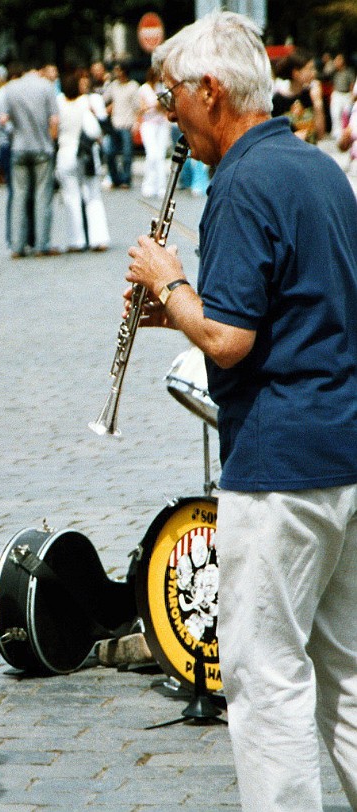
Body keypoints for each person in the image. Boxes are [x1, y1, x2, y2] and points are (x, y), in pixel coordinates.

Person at [125, 12, 357, 811]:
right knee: (352, 676)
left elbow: (226, 337)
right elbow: (296, 301)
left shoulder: (241, 182)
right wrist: (182, 307)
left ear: (210, 91)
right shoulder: (319, 167)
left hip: (279, 461)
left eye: (170, 95)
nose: (168, 112)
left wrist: (167, 282)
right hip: (344, 449)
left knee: (265, 680)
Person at [0, 60, 59, 258]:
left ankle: (17, 245)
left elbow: (3, 120)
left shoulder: (11, 88)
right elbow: (54, 120)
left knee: (19, 196)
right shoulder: (46, 87)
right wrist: (51, 141)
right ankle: (41, 244)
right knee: (42, 196)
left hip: (19, 146)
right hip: (42, 147)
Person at [54, 72, 109, 252]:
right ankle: (98, 238)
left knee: (71, 198)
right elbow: (94, 130)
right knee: (93, 196)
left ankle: (76, 240)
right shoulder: (85, 102)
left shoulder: (59, 103)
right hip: (85, 153)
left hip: (65, 152)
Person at [272, 49, 326, 144]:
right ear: (296, 73)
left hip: (310, 154)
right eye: (310, 69)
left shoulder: (311, 95)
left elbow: (320, 135)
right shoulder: (278, 100)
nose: (314, 73)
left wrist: (318, 103)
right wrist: (292, 139)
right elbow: (273, 138)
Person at [103, 62, 139, 189]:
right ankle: (115, 178)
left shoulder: (133, 86)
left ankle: (126, 179)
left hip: (127, 124)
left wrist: (136, 123)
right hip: (114, 124)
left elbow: (137, 107)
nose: (116, 73)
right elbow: (105, 99)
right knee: (109, 152)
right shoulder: (113, 86)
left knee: (127, 154)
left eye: (118, 70)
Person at [136, 67, 170, 199]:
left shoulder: (161, 88)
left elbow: (165, 108)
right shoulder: (144, 89)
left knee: (160, 156)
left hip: (161, 124)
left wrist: (159, 106)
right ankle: (148, 185)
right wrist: (153, 106)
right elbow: (140, 108)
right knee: (152, 155)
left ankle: (161, 186)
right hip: (148, 125)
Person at [329, 53, 355, 141]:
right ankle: (337, 134)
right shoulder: (334, 72)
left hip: (346, 94)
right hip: (337, 94)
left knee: (346, 115)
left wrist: (352, 96)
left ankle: (346, 135)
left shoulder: (349, 72)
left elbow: (352, 85)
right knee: (335, 114)